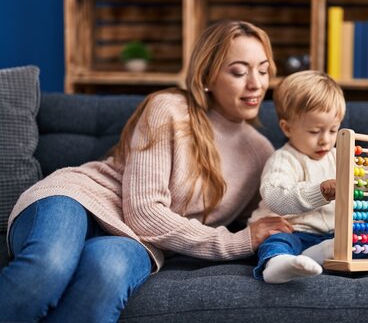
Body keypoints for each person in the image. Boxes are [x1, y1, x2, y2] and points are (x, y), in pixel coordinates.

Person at [0, 20, 293, 322]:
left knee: (107, 272)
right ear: (207, 76)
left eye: (263, 69)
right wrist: (236, 242)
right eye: (239, 71)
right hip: (79, 199)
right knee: (50, 264)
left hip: (139, 242)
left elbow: (277, 215)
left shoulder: (262, 154)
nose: (256, 83)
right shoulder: (168, 108)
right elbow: (143, 213)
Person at [249, 70, 368, 284]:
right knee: (275, 241)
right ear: (287, 128)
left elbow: (367, 183)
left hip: (332, 235)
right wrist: (321, 191)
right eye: (314, 131)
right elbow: (275, 197)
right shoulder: (283, 159)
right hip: (295, 231)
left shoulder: (339, 156)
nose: (325, 140)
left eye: (333, 130)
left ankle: (316, 256)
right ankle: (277, 264)